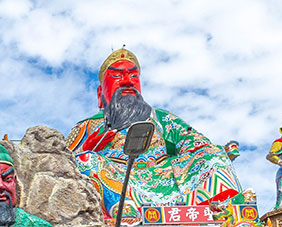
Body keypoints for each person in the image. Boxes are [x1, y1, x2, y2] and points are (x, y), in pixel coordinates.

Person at [67, 47, 244, 217]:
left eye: (134, 76)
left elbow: (192, 140)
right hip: (118, 181)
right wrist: (87, 148)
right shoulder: (88, 125)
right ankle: (124, 211)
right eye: (117, 75)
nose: (128, 80)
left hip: (165, 177)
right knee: (85, 160)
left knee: (213, 155)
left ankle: (215, 208)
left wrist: (213, 150)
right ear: (100, 93)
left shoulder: (160, 118)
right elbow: (62, 163)